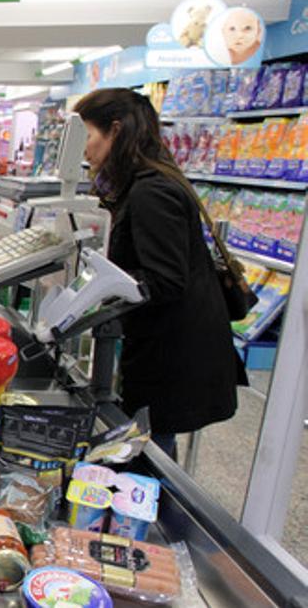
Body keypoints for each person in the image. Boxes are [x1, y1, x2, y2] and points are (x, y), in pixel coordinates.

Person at [75, 88, 245, 460]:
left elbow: (165, 279)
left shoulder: (152, 192)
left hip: (175, 353)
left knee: (152, 452)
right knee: (152, 443)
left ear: (115, 131)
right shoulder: (147, 182)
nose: (83, 148)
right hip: (170, 347)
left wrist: (102, 288)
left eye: (87, 135)